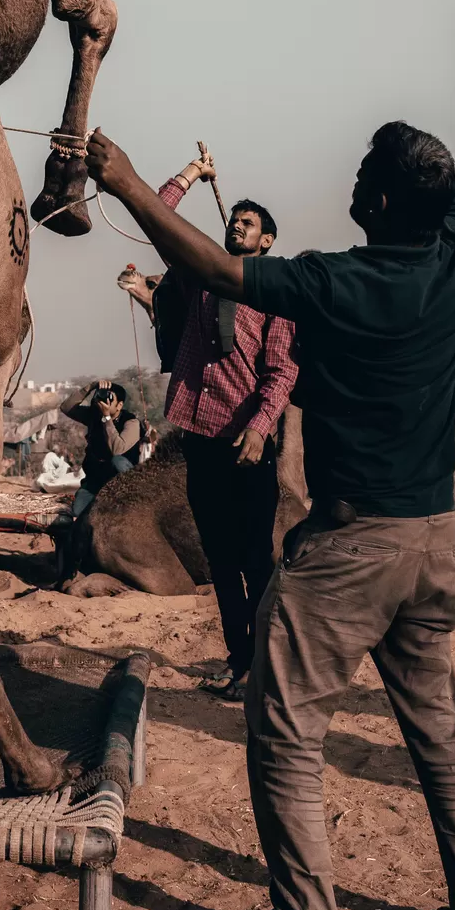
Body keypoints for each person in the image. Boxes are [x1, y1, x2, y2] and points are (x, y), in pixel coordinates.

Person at [85, 8, 455, 910]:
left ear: (382, 203)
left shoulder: (335, 282)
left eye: (365, 176)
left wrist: (125, 183)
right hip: (437, 545)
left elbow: (207, 266)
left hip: (351, 550)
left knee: (283, 729)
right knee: (442, 740)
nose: (353, 181)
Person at [154, 152, 298, 702]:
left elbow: (283, 369)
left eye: (249, 222)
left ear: (266, 242)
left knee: (256, 559)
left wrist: (261, 426)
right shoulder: (201, 277)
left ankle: (265, 664)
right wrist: (191, 175)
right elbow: (159, 220)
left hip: (248, 443)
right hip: (200, 436)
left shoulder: (275, 293)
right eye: (233, 219)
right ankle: (241, 661)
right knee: (219, 559)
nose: (237, 225)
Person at [57, 380, 141, 520]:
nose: (103, 401)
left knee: (117, 460)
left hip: (121, 478)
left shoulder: (131, 422)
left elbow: (117, 449)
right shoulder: (94, 416)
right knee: (78, 512)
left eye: (109, 398)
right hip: (95, 478)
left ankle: (130, 497)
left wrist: (107, 418)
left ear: (119, 405)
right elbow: (66, 407)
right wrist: (90, 387)